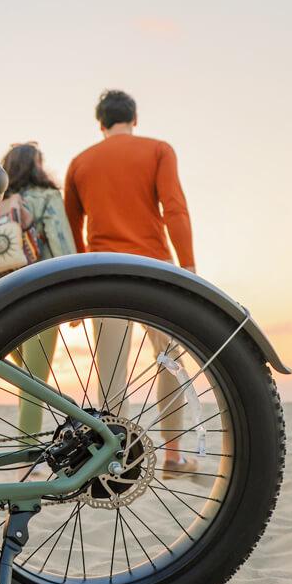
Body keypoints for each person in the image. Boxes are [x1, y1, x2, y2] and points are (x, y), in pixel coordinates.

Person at [63, 89, 198, 476]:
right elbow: (174, 207)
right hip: (156, 272)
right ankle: (173, 456)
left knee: (111, 376)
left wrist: (75, 288)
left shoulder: (79, 163)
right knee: (171, 363)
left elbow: (73, 230)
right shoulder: (158, 150)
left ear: (100, 123)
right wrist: (188, 266)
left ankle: (117, 459)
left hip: (104, 273)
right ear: (134, 118)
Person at [0, 142, 77, 436]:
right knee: (34, 383)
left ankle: (26, 448)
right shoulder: (47, 197)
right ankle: (26, 454)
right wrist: (74, 294)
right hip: (40, 298)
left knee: (25, 379)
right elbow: (61, 243)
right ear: (37, 166)